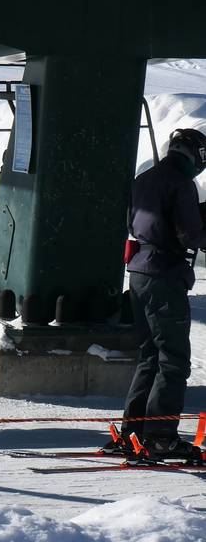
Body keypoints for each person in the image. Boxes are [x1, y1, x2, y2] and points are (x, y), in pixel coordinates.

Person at [114, 127, 206, 461]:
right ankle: (161, 436)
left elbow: (136, 222)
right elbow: (189, 235)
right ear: (195, 155)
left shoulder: (145, 178)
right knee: (174, 359)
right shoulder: (182, 183)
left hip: (139, 271)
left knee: (150, 355)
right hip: (165, 274)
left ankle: (135, 431)